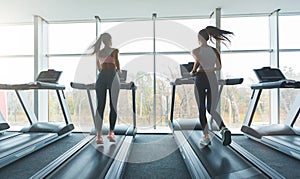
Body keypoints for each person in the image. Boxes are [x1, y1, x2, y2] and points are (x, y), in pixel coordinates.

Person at [190, 26, 234, 146]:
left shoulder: (195, 51)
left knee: (202, 109)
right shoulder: (215, 51)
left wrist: (193, 71)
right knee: (211, 109)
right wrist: (210, 69)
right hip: (212, 79)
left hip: (201, 79)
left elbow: (198, 63)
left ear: (199, 38)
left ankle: (206, 137)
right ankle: (223, 128)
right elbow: (219, 67)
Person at [90, 33, 121, 144]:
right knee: (113, 106)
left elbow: (99, 67)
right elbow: (117, 65)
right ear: (110, 40)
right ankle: (111, 133)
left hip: (102, 77)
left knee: (100, 106)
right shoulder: (115, 50)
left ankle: (99, 136)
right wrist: (119, 73)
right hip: (113, 76)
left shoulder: (99, 52)